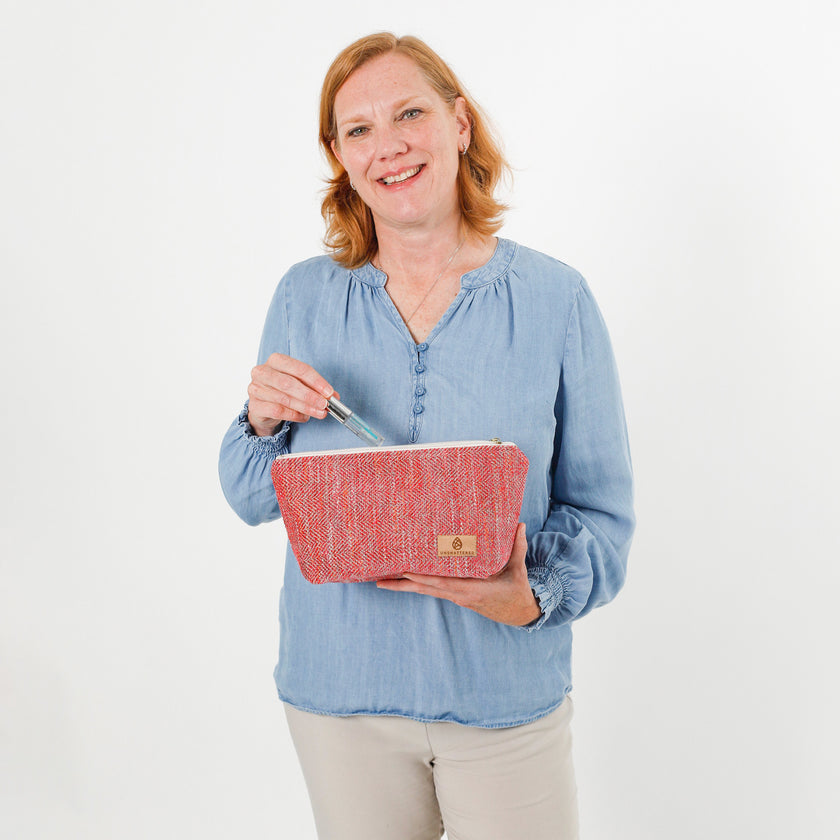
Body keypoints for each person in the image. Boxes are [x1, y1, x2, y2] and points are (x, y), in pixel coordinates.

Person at [219, 32, 634, 840]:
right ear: (339, 156)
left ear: (460, 124)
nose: (390, 145)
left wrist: (534, 595)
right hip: (340, 704)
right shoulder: (305, 297)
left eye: (409, 113)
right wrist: (262, 418)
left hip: (503, 700)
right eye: (359, 129)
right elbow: (248, 496)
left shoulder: (557, 300)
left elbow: (603, 515)